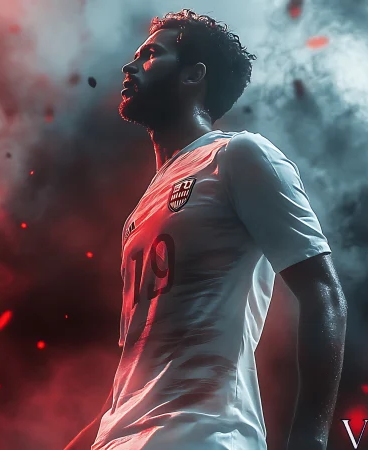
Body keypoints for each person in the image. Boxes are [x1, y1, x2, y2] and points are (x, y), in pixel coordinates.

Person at [65, 9, 347, 450]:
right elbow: (134, 370)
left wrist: (310, 439)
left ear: (194, 75)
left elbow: (323, 293)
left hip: (201, 435)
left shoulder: (239, 155)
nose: (129, 65)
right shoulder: (137, 216)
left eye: (151, 54)